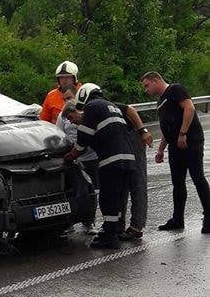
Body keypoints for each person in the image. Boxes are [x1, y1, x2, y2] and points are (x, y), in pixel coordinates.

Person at [63, 83, 136, 249]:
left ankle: (109, 238)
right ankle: (113, 230)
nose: (72, 122)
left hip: (112, 161)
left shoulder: (92, 106)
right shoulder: (111, 106)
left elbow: (82, 140)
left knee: (107, 199)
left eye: (71, 118)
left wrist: (70, 157)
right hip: (128, 160)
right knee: (117, 199)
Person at [141, 72, 210, 233]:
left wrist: (183, 133)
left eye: (147, 85)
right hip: (175, 145)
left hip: (190, 141)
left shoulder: (175, 89)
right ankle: (177, 219)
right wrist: (160, 149)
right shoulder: (161, 101)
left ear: (156, 80)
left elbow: (189, 107)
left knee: (197, 177)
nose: (146, 89)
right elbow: (166, 127)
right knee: (177, 183)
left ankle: (209, 216)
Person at [57, 93, 98, 233]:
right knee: (72, 190)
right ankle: (70, 221)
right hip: (74, 159)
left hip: (91, 157)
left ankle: (89, 221)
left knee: (92, 191)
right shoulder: (62, 118)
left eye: (71, 118)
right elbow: (59, 135)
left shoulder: (89, 116)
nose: (71, 122)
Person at [115, 102, 153, 240]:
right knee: (120, 183)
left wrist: (142, 130)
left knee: (137, 183)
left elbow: (129, 109)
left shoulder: (101, 104)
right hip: (120, 142)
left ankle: (137, 227)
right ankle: (118, 224)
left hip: (133, 137)